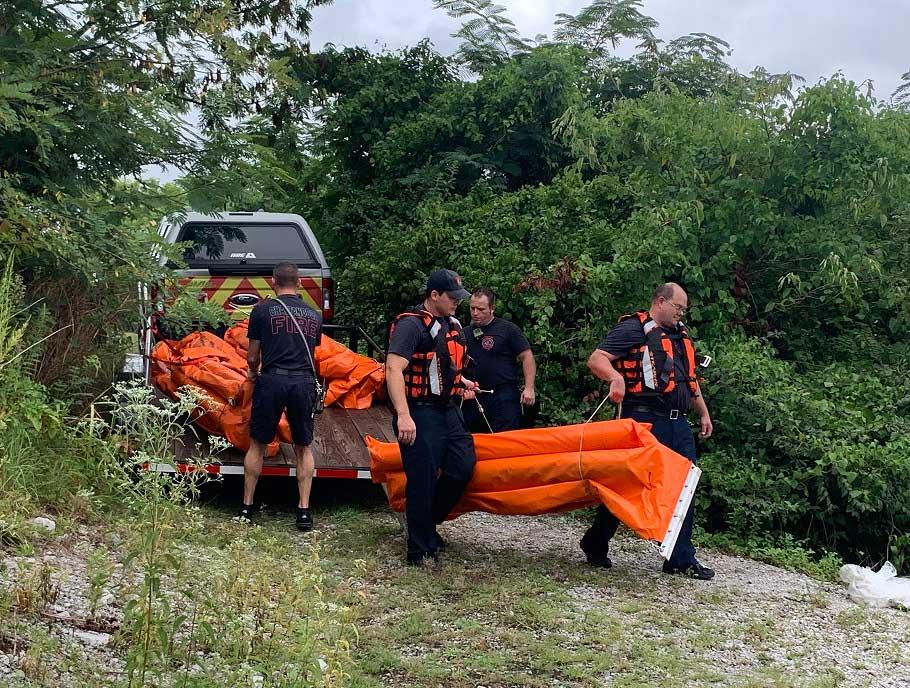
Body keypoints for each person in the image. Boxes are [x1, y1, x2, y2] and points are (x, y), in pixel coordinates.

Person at [580, 282, 716, 580]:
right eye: (678, 307)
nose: (681, 313)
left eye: (683, 309)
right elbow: (597, 359)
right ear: (660, 301)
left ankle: (679, 559)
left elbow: (688, 382)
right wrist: (615, 378)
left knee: (685, 486)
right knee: (628, 483)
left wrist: (703, 413)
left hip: (678, 421)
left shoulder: (679, 337)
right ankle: (596, 541)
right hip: (645, 418)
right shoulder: (633, 329)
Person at [385, 269, 480, 565]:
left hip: (447, 409)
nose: (457, 303)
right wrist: (403, 415)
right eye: (452, 297)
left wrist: (461, 383)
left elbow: (446, 365)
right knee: (422, 479)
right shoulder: (411, 326)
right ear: (433, 295)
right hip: (419, 410)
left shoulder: (452, 324)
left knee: (462, 467)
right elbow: (393, 369)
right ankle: (419, 549)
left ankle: (426, 523)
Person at [238, 261, 323, 531]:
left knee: (258, 444)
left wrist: (253, 372)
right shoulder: (314, 315)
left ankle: (247, 506)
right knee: (303, 446)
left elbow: (253, 356)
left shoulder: (261, 311)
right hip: (303, 382)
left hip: (272, 380)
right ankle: (304, 510)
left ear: (273, 282)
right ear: (299, 283)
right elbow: (314, 352)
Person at [463, 288, 536, 432]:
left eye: (481, 309)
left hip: (503, 395)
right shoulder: (463, 333)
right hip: (475, 395)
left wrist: (529, 388)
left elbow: (527, 356)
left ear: (492, 309)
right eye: (472, 308)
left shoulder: (507, 329)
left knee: (505, 440)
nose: (475, 313)